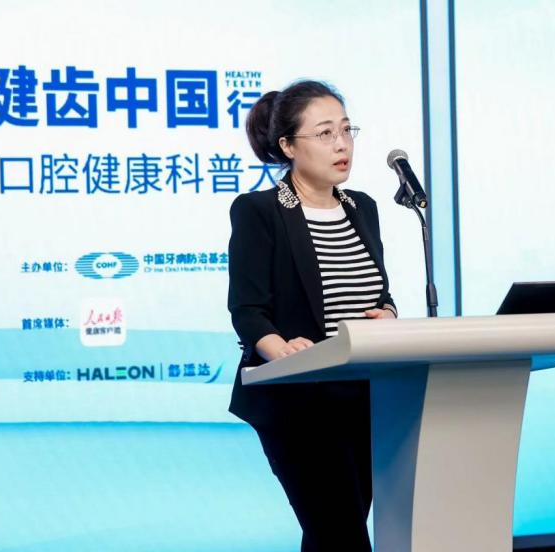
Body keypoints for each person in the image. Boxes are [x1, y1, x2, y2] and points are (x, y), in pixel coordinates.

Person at [227, 80, 397, 551]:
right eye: (324, 133)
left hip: (364, 399)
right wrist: (282, 351)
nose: (342, 144)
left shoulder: (362, 208)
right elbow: (248, 310)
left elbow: (379, 293)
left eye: (346, 130)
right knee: (342, 535)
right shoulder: (259, 210)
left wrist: (387, 314)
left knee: (330, 535)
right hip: (297, 402)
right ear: (288, 146)